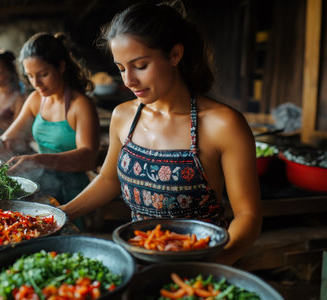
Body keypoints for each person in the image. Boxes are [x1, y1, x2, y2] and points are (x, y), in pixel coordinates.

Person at [60, 2, 262, 265]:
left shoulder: (223, 124)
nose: (128, 81)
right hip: (137, 259)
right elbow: (109, 181)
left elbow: (247, 214)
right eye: (121, 68)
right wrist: (59, 214)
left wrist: (217, 264)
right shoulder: (123, 116)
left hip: (204, 264)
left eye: (140, 65)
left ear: (175, 54)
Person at [0, 32, 100, 210]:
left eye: (43, 74)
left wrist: (39, 160)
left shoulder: (80, 105)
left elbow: (88, 158)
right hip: (44, 188)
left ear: (61, 67)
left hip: (76, 195)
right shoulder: (36, 100)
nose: (36, 83)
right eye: (30, 76)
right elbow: (7, 142)